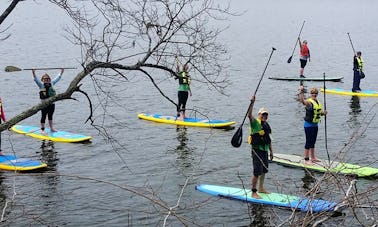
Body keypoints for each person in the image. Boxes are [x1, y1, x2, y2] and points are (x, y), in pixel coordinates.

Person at [248, 96, 274, 199]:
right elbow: (249, 115)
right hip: (257, 150)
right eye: (263, 114)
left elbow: (269, 139)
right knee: (257, 172)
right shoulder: (255, 123)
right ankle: (253, 192)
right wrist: (252, 103)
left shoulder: (267, 125)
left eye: (266, 114)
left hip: (264, 150)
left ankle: (261, 188)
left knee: (264, 170)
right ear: (259, 115)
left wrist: (271, 152)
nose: (264, 116)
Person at [298, 86, 327, 165]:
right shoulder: (309, 102)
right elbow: (302, 101)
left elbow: (318, 112)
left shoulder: (317, 102)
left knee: (313, 141)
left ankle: (313, 157)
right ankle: (306, 159)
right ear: (310, 94)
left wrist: (323, 113)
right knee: (308, 141)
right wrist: (300, 92)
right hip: (308, 126)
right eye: (312, 93)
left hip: (315, 125)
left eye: (315, 93)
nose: (314, 95)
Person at [32, 68, 64, 135]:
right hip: (44, 104)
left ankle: (51, 128)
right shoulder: (41, 85)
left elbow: (57, 78)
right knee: (43, 116)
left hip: (52, 104)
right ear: (43, 80)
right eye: (44, 79)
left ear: (49, 79)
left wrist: (61, 72)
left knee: (50, 116)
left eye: (47, 79)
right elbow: (35, 79)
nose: (46, 80)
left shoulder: (52, 83)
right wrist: (33, 72)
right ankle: (43, 130)